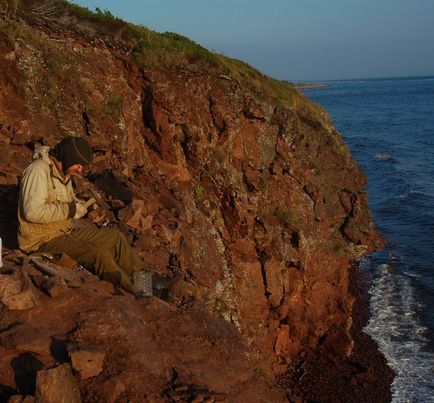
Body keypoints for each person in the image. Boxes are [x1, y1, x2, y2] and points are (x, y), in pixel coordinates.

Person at [17, 136, 166, 298]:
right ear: (68, 157)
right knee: (98, 253)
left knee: (113, 237)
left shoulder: (62, 172)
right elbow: (31, 212)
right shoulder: (38, 171)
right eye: (78, 164)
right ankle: (139, 292)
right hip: (41, 241)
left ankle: (147, 282)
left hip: (62, 231)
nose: (80, 169)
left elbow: (64, 201)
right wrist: (70, 210)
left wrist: (79, 205)